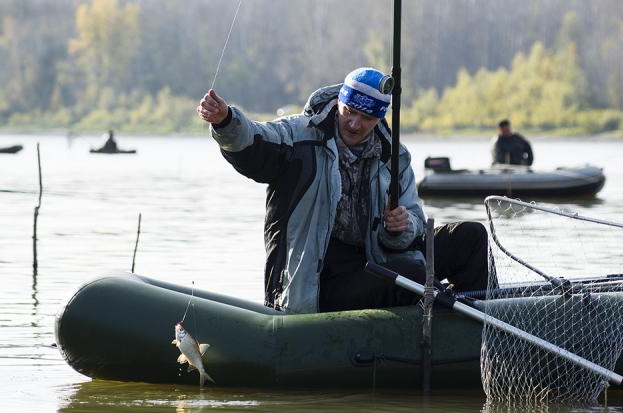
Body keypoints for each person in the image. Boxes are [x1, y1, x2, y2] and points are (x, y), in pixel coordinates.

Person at [198, 67, 488, 313]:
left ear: (378, 119)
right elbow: (255, 142)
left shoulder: (394, 156)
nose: (354, 123)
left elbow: (411, 221)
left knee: (472, 236)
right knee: (412, 277)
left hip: (378, 260)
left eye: (366, 118)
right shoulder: (299, 136)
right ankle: (450, 308)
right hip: (319, 284)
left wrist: (404, 225)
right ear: (339, 102)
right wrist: (226, 122)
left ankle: (481, 321)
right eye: (349, 112)